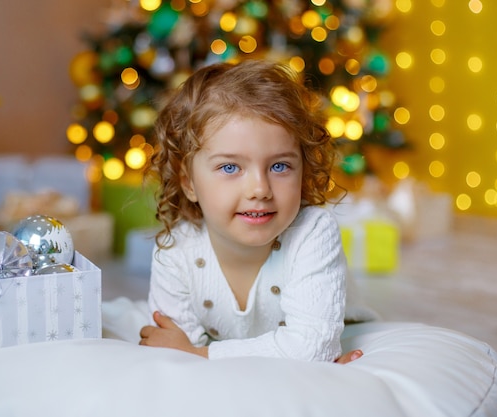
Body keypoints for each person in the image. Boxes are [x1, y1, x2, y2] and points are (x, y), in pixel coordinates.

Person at [139, 59, 362, 364]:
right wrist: (192, 354)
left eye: (280, 166)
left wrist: (202, 354)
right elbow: (176, 353)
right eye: (230, 167)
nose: (260, 189)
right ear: (188, 182)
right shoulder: (176, 250)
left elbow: (312, 349)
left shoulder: (313, 231)